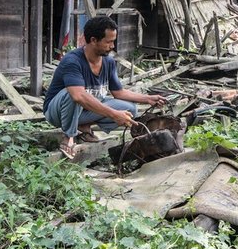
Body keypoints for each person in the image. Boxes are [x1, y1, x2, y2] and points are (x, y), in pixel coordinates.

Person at [44, 15, 166, 159]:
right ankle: (69, 136)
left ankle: (83, 126)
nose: (112, 46)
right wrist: (114, 114)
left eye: (113, 41)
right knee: (75, 95)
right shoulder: (72, 61)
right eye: (108, 42)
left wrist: (148, 98)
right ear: (93, 40)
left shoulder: (108, 62)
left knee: (130, 109)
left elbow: (118, 92)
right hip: (57, 113)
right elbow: (78, 96)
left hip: (84, 111)